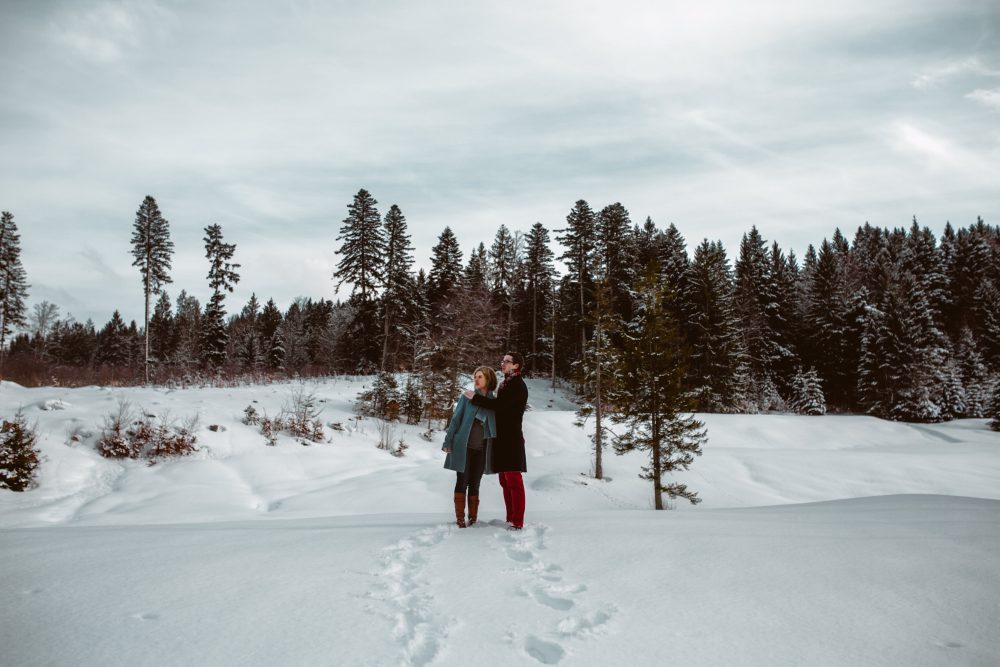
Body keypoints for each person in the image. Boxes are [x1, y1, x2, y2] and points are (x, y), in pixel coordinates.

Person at [464, 352, 528, 530]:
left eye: (507, 362)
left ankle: (517, 522)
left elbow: (499, 406)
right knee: (505, 481)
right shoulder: (506, 384)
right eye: (503, 361)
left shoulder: (517, 385)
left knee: (513, 479)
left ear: (516, 366)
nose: (503, 363)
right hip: (502, 437)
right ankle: (510, 518)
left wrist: (475, 398)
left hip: (512, 438)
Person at [443, 366, 498, 528]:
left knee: (475, 483)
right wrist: (448, 441)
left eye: (480, 377)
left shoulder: (494, 402)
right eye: (475, 377)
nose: (476, 380)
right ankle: (460, 519)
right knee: (462, 481)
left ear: (488, 379)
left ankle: (473, 519)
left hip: (482, 450)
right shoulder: (467, 397)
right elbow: (456, 419)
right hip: (464, 447)